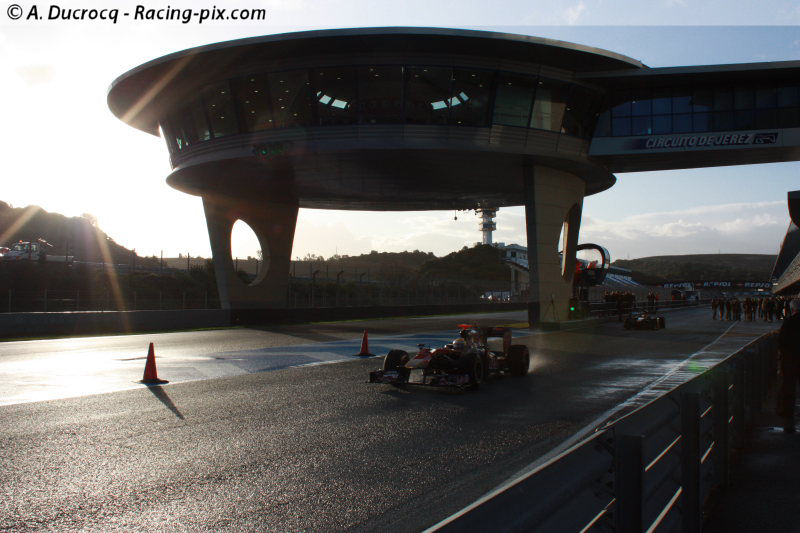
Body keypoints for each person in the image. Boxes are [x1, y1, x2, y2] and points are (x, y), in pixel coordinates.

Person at [777, 299, 800, 433]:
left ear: (792, 309)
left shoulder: (789, 322)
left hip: (791, 360)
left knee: (788, 387)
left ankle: (787, 413)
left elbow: (782, 340)